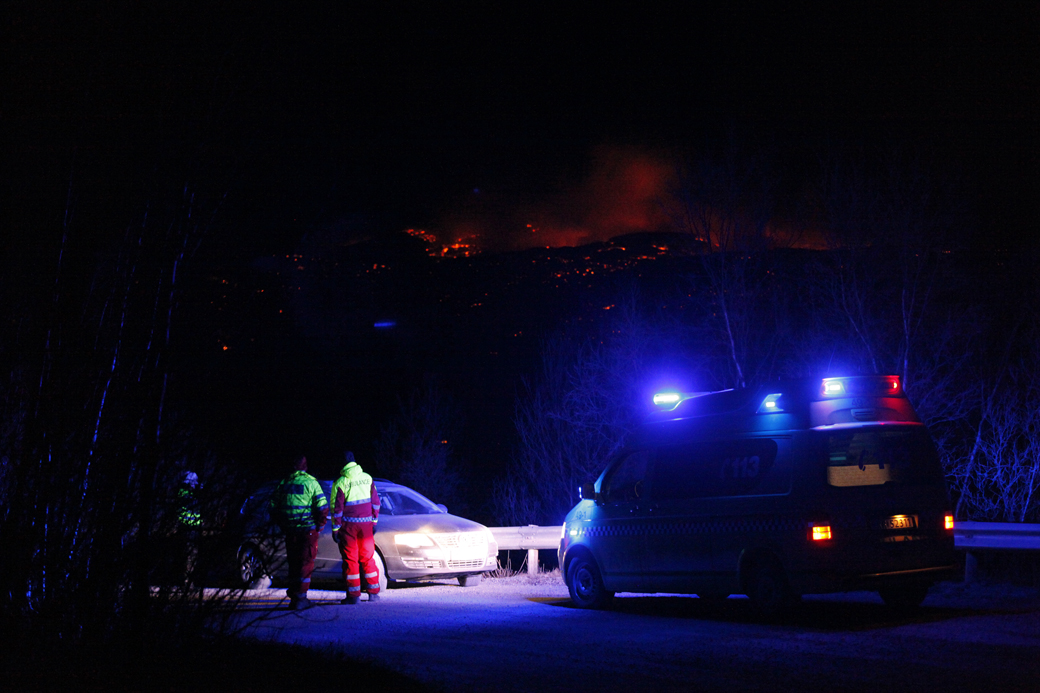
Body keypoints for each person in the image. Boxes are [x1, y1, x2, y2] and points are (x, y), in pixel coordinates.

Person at [268, 455, 329, 610]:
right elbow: (322, 507)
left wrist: (282, 524)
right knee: (305, 563)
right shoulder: (311, 482)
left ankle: (295, 596)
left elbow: (272, 506)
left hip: (290, 530)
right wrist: (320, 526)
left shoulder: (284, 483)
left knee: (293, 563)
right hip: (307, 530)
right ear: (305, 466)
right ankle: (301, 598)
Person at [331, 451, 381, 604]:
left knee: (351, 560)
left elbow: (336, 508)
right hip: (366, 526)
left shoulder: (340, 482)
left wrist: (335, 529)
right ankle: (373, 594)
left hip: (348, 527)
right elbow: (376, 503)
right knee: (367, 558)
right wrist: (374, 522)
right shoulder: (367, 478)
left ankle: (354, 597)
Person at [175, 470, 203, 584]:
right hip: (187, 529)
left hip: (193, 529)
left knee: (192, 555)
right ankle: (186, 580)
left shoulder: (190, 495)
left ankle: (189, 579)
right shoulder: (185, 495)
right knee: (188, 555)